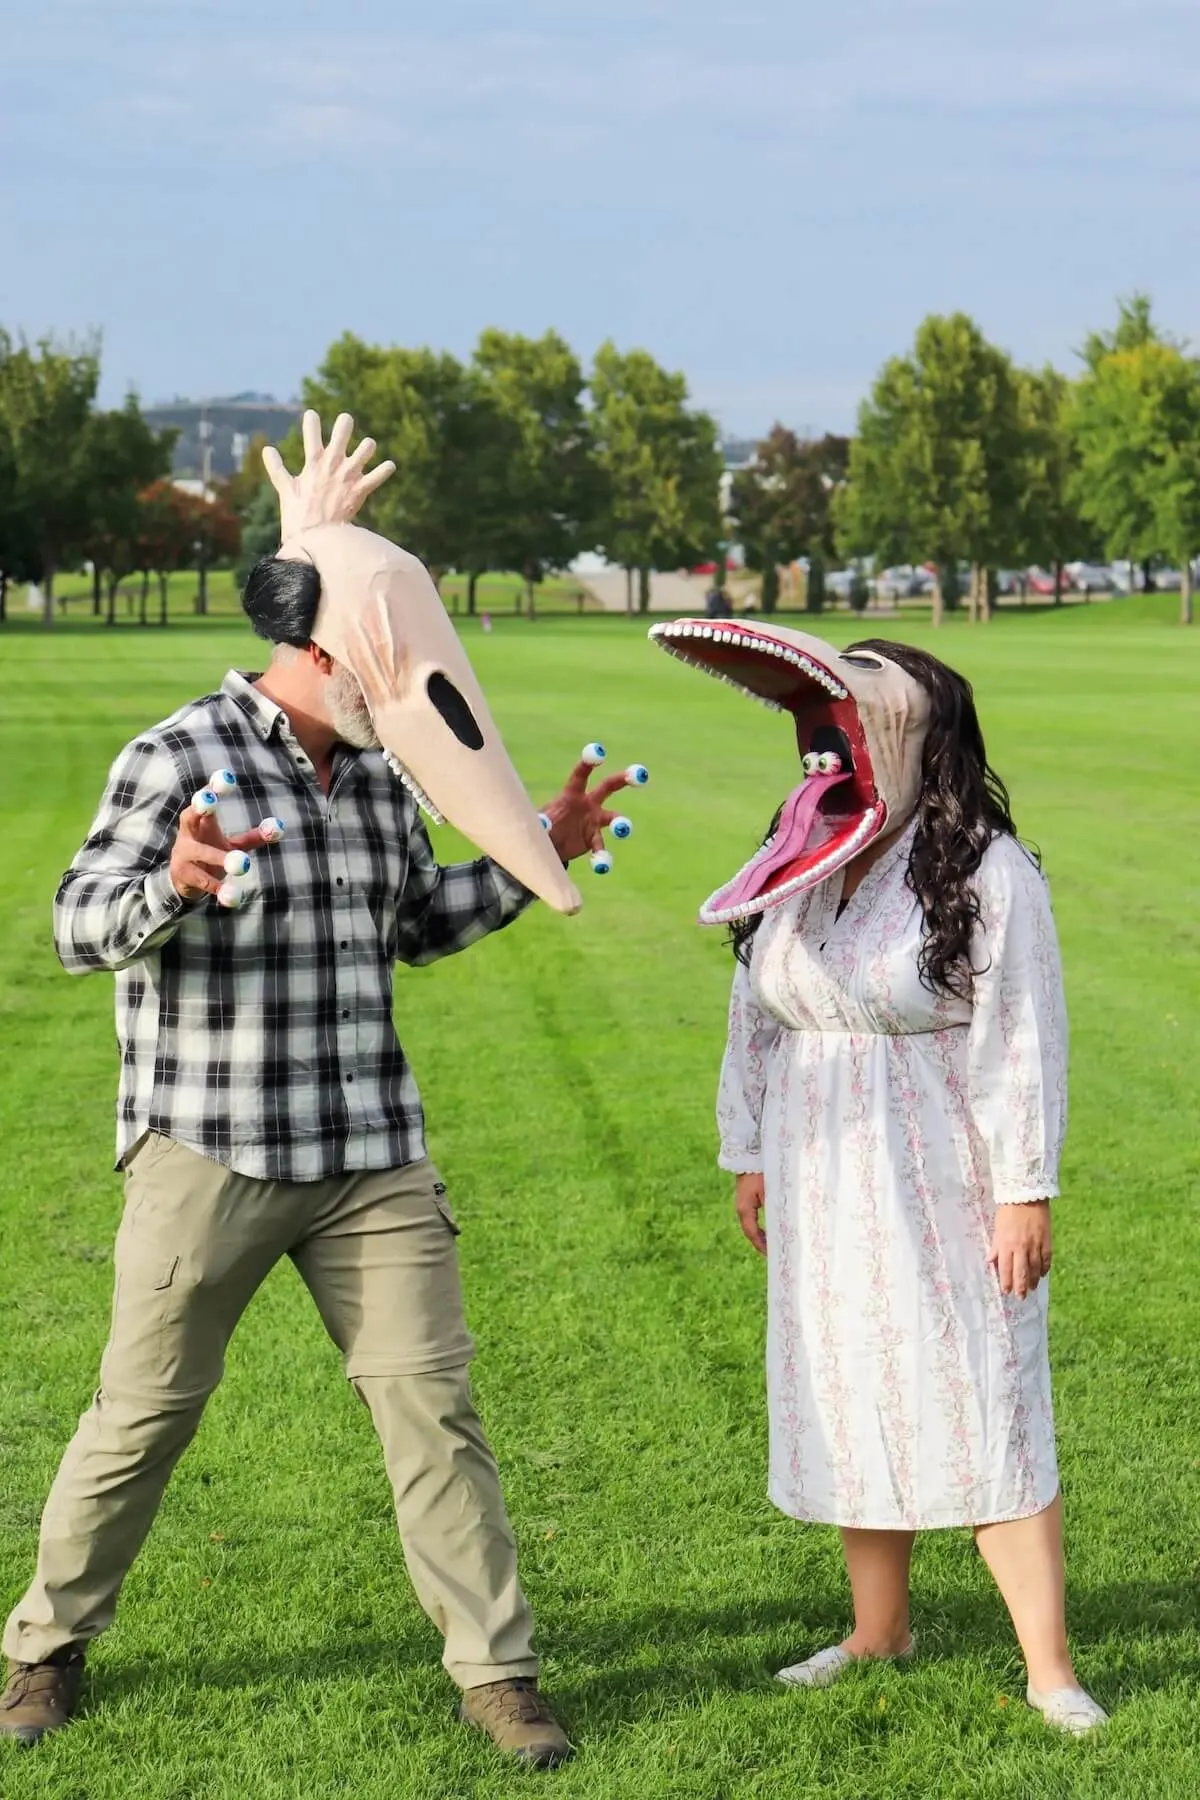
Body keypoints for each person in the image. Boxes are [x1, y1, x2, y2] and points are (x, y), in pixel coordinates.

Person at [1, 416, 635, 1768]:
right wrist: (172, 884)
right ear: (321, 646)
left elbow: (412, 925)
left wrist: (536, 860)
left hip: (369, 1155)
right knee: (141, 1417)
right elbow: (74, 924)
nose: (399, 694)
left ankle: (498, 1675)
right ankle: (42, 1651)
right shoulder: (178, 755)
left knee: (435, 1411)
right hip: (211, 1153)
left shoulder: (385, 776)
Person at [647, 620, 1107, 1736]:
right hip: (821, 1168)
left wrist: (1024, 1189)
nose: (828, 757)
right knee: (852, 1385)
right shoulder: (801, 859)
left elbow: (1021, 1038)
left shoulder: (990, 873)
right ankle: (876, 1628)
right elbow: (752, 1012)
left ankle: (1048, 1668)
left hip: (944, 1171)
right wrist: (749, 1152)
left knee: (981, 1389)